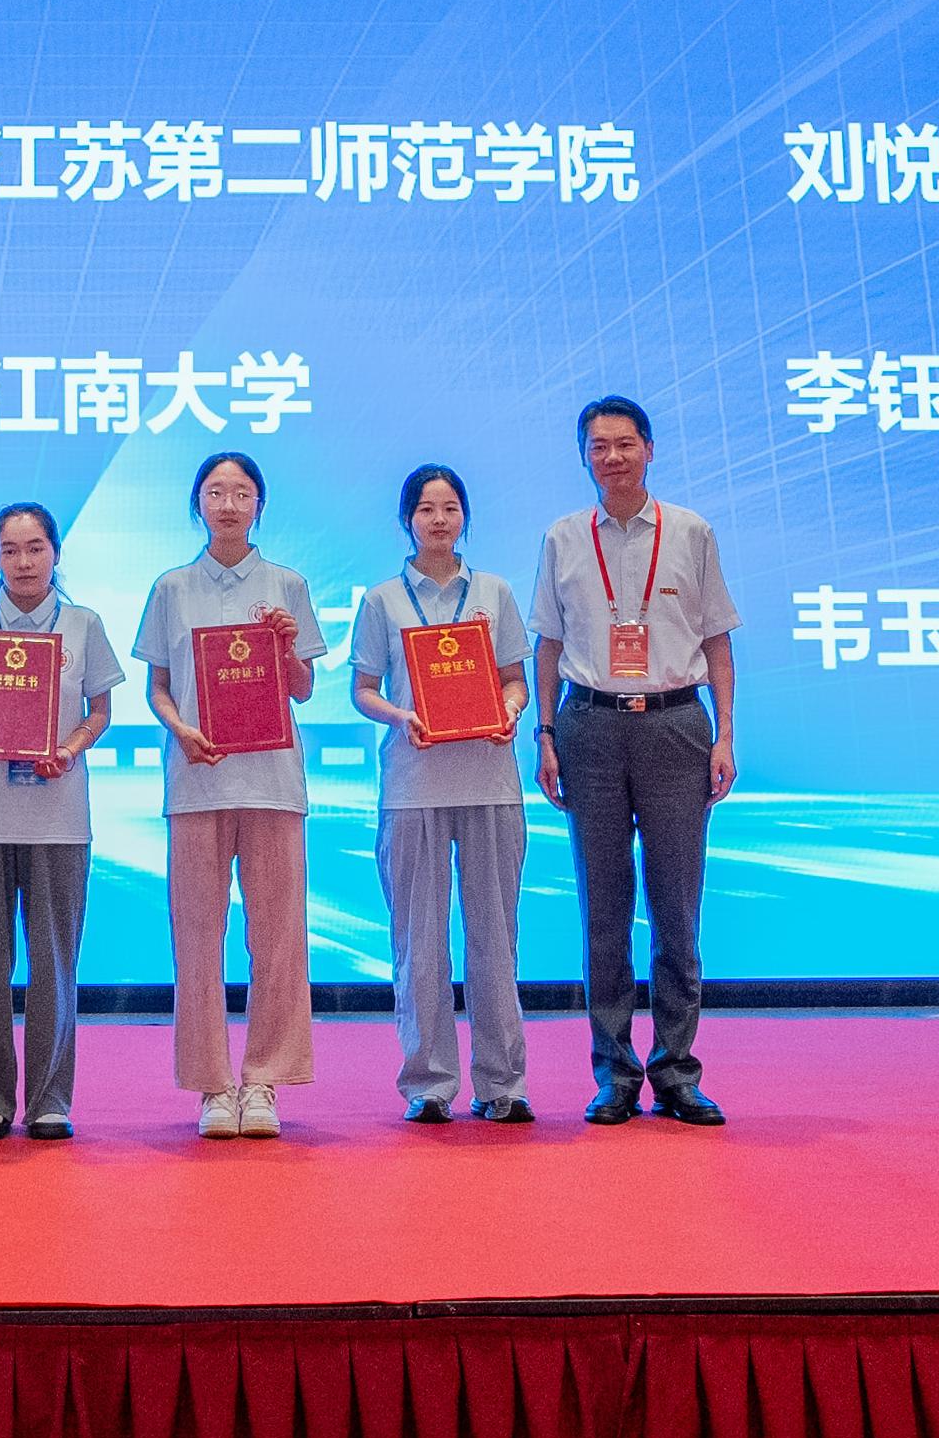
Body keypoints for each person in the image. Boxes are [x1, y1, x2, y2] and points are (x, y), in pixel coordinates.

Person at [531, 395, 744, 1127]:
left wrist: (725, 734)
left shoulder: (691, 531)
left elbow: (717, 639)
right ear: (584, 456)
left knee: (677, 906)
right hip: (588, 725)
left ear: (649, 449)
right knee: (604, 909)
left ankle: (677, 1071)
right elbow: (549, 645)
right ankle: (615, 1072)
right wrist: (546, 735)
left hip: (676, 724)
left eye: (625, 443)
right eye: (598, 446)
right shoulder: (563, 537)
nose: (612, 457)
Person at [137, 449, 321, 1139]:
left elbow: (303, 688)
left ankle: (264, 1080)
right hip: (197, 779)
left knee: (277, 939)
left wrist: (288, 647)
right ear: (198, 504)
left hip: (272, 782)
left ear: (259, 505)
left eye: (241, 492)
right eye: (215, 492)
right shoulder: (172, 587)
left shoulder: (287, 584)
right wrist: (180, 728)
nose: (228, 504)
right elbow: (158, 686)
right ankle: (213, 1084)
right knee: (196, 938)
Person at [348, 464, 536, 1124]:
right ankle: (428, 1084)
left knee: (495, 938)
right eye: (426, 508)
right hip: (413, 785)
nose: (438, 519)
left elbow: (515, 679)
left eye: (450, 507)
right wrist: (401, 715)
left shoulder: (494, 592)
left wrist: (510, 709)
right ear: (408, 520)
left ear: (465, 517)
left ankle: (502, 1083)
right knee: (419, 943)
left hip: (489, 781)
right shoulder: (382, 600)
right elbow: (363, 689)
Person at [0, 499, 117, 1140]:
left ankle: (50, 1099)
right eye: (10, 550)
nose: (23, 561)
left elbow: (101, 711)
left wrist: (68, 749)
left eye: (35, 548)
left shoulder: (83, 624)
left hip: (58, 818)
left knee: (55, 963)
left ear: (55, 553)